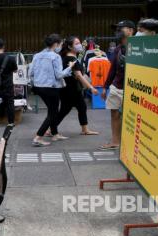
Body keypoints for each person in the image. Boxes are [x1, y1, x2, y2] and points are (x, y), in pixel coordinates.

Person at [29, 34, 75, 147]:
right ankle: (38, 137)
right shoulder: (55, 56)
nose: (61, 46)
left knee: (52, 109)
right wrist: (70, 67)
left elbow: (31, 73)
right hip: (51, 87)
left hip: (38, 86)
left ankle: (55, 133)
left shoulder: (37, 55)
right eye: (60, 44)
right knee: (53, 113)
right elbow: (59, 75)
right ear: (56, 44)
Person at [100, 20, 135, 150]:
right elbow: (112, 69)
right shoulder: (118, 49)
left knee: (130, 117)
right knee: (114, 114)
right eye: (117, 29)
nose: (118, 31)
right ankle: (115, 141)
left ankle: (129, 142)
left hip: (133, 89)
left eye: (122, 28)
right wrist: (105, 87)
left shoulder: (139, 47)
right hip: (116, 87)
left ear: (131, 31)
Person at [56, 36, 99, 135]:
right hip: (71, 89)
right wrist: (91, 87)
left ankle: (85, 129)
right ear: (70, 47)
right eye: (76, 43)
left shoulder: (70, 56)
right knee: (65, 110)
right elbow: (78, 75)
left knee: (80, 107)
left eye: (79, 42)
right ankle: (49, 129)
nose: (79, 45)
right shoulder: (70, 58)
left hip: (70, 88)